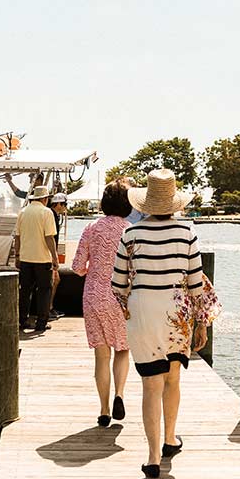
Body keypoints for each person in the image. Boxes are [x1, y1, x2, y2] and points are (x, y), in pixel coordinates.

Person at [111, 169, 206, 478]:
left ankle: (153, 457)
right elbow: (196, 285)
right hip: (177, 311)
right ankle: (169, 438)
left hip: (142, 310)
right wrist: (201, 324)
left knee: (151, 384)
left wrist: (131, 307)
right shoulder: (186, 233)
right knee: (173, 378)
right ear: (174, 202)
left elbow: (117, 284)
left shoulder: (130, 234)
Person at [72, 181, 133, 427]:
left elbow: (77, 267)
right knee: (122, 349)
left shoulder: (91, 227)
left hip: (94, 296)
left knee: (101, 354)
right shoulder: (130, 229)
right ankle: (120, 394)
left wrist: (93, 268)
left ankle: (104, 410)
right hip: (122, 296)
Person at [13, 185, 57, 332]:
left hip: (25, 258)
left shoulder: (22, 212)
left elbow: (17, 237)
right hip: (42, 258)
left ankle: (22, 320)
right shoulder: (47, 212)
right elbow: (49, 237)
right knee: (44, 291)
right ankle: (41, 323)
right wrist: (55, 258)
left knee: (25, 291)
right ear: (45, 199)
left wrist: (17, 255)